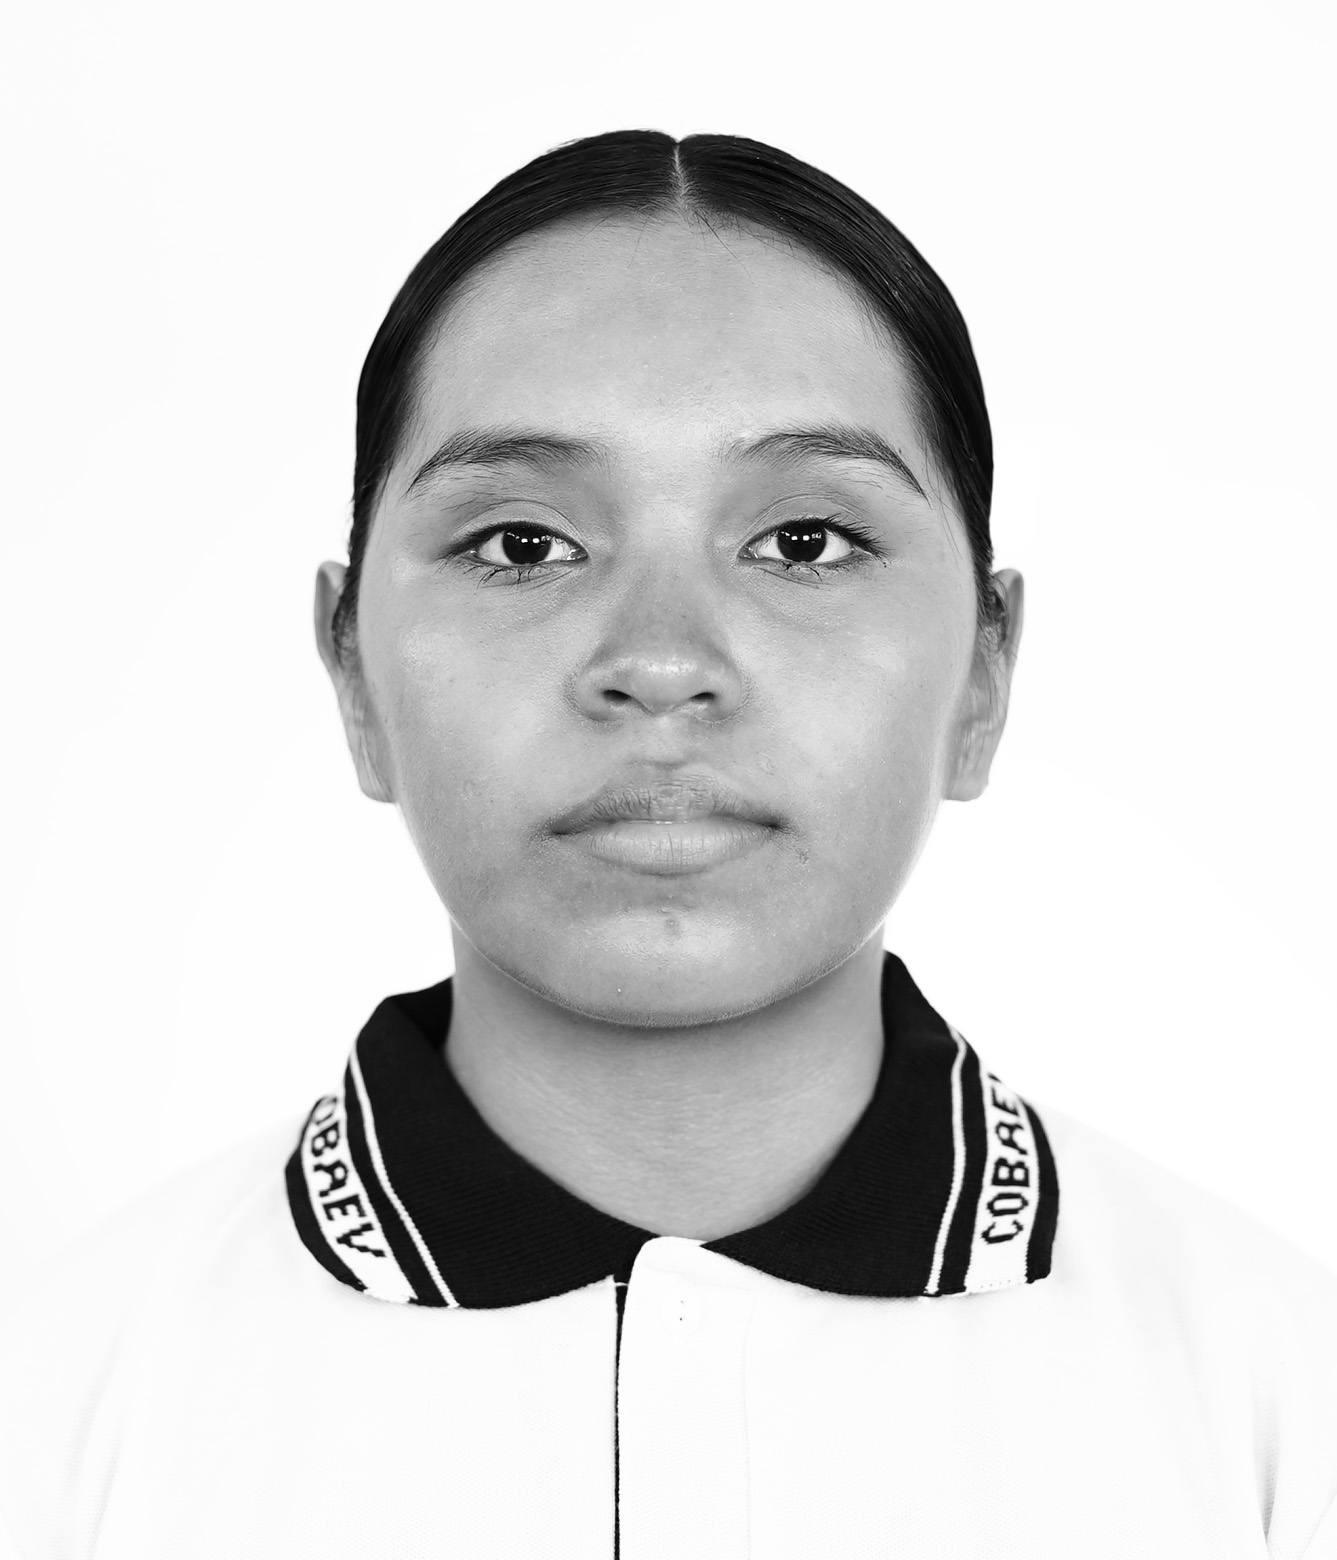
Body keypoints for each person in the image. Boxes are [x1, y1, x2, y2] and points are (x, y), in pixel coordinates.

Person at [1, 127, 1333, 1560]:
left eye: (804, 541)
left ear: (982, 675)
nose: (659, 663)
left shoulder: (1273, 1399)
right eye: (522, 544)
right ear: (353, 671)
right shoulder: (59, 1409)